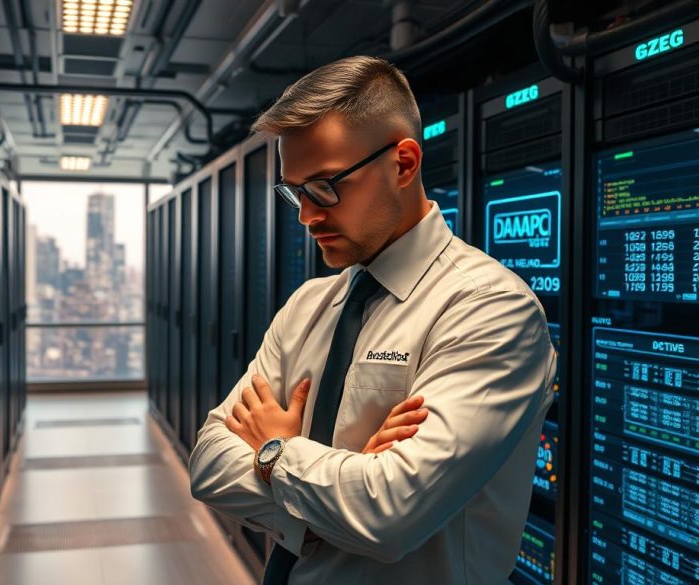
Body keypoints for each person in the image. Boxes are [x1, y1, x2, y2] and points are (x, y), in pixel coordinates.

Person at [188, 56, 556, 584]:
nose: (306, 215)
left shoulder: (489, 309)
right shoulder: (308, 306)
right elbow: (207, 460)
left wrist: (275, 452)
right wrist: (318, 512)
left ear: (403, 163)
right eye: (295, 191)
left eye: (324, 186)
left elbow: (389, 513)